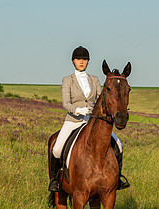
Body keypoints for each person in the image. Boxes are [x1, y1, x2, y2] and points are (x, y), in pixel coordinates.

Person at [48, 46, 130, 192]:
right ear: (73, 61)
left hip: (92, 121)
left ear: (88, 62)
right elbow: (66, 103)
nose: (81, 62)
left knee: (118, 144)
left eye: (84, 59)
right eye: (78, 59)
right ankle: (55, 180)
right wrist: (78, 110)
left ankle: (117, 179)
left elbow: (101, 99)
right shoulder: (67, 80)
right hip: (73, 121)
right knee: (57, 148)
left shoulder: (95, 80)